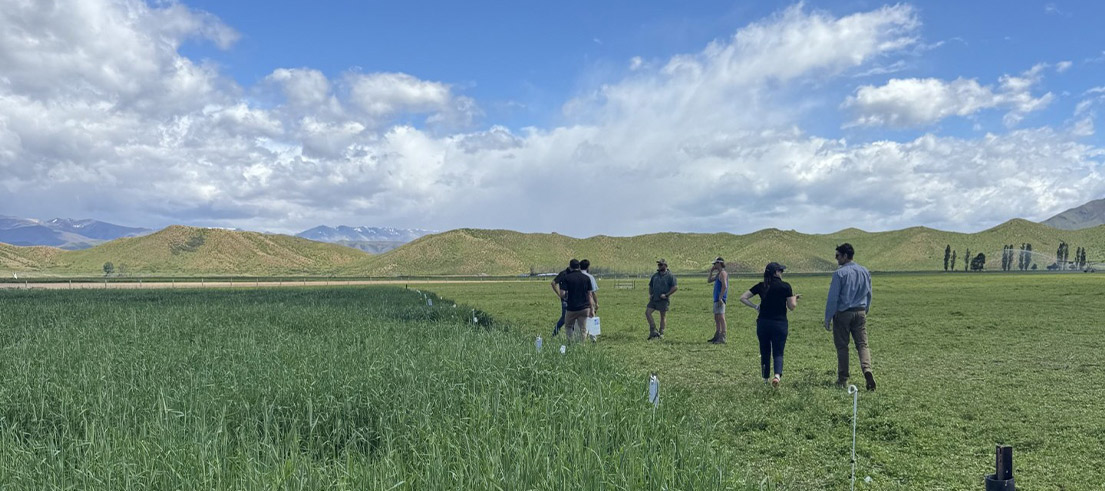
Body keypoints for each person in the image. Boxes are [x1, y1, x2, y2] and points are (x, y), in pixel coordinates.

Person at [824, 243, 877, 391]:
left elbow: (833, 298)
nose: (836, 259)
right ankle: (867, 370)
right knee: (862, 344)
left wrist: (828, 317)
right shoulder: (865, 271)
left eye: (838, 256)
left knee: (842, 347)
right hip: (860, 311)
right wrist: (865, 309)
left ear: (845, 256)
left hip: (843, 313)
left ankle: (843, 379)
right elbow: (869, 293)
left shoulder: (840, 273)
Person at [739, 262, 798, 387]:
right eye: (781, 271)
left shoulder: (761, 286)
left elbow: (743, 297)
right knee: (778, 351)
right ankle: (777, 376)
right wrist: (794, 299)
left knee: (764, 350)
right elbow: (791, 306)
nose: (782, 273)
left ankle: (765, 378)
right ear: (776, 272)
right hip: (780, 323)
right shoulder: (785, 286)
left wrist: (755, 306)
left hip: (763, 323)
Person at [553, 259, 594, 341]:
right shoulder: (586, 278)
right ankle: (582, 346)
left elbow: (562, 294)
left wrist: (565, 297)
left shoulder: (567, 278)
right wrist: (592, 308)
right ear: (579, 267)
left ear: (570, 267)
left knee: (568, 326)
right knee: (583, 328)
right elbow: (590, 295)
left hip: (572, 308)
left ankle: (570, 343)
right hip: (585, 308)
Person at [646, 258, 678, 340]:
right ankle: (653, 329)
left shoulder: (670, 276)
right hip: (654, 298)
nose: (659, 266)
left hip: (663, 300)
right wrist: (650, 294)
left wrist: (666, 295)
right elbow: (650, 285)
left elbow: (675, 287)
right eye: (658, 264)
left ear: (665, 265)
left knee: (662, 316)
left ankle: (661, 332)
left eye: (661, 264)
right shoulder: (655, 275)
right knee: (647, 313)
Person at [706, 257, 729, 344]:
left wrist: (720, 297)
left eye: (715, 264)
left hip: (720, 299)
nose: (714, 265)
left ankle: (723, 336)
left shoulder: (723, 273)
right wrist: (711, 272)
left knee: (721, 317)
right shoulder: (718, 274)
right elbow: (709, 280)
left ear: (719, 263)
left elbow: (725, 286)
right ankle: (717, 334)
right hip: (716, 299)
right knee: (716, 317)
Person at [550, 262, 573, 336]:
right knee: (565, 318)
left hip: (565, 299)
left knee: (565, 318)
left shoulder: (563, 273)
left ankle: (555, 333)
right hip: (568, 299)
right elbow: (553, 283)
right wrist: (559, 294)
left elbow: (553, 283)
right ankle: (555, 333)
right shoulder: (565, 274)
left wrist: (559, 295)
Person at [580, 259, 599, 340]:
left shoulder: (575, 276)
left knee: (579, 323)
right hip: (588, 303)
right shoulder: (590, 277)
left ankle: (580, 339)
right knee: (591, 320)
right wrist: (596, 303)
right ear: (588, 267)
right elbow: (593, 292)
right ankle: (593, 338)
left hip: (577, 303)